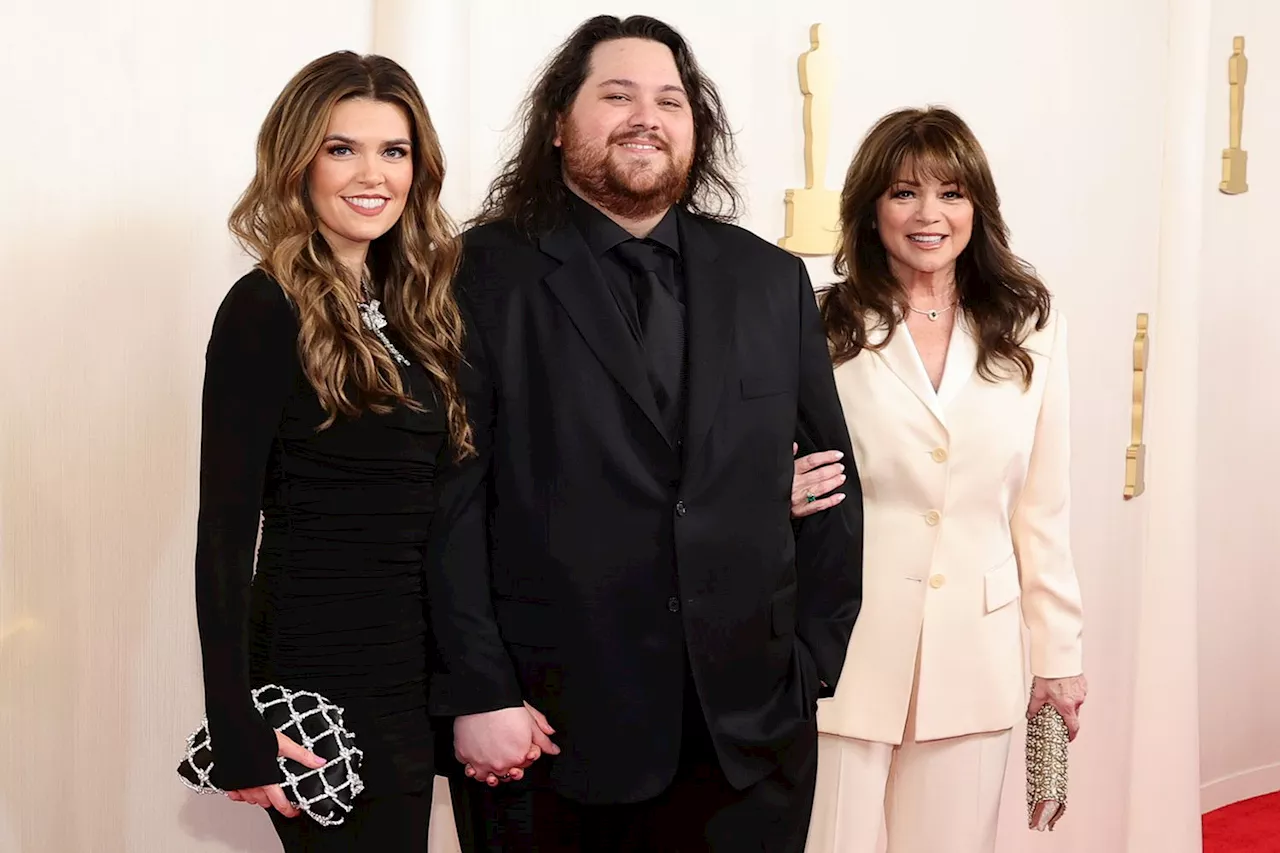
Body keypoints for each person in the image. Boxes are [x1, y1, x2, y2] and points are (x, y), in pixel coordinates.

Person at [425, 14, 864, 852]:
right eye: (616, 95)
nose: (647, 116)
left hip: (749, 736)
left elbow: (833, 484)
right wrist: (478, 689)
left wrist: (809, 664)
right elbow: (450, 503)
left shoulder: (770, 279)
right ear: (558, 123)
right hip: (548, 732)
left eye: (671, 100)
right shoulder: (475, 274)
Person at [193, 50, 477, 852]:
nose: (373, 174)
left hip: (410, 671)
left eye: (394, 151)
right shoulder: (261, 309)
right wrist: (235, 717)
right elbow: (222, 533)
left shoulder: (420, 307)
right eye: (341, 148)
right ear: (298, 161)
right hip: (316, 670)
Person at [797, 106, 1088, 853]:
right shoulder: (817, 322)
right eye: (904, 192)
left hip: (976, 652)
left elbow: (1041, 508)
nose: (930, 214)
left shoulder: (1030, 325)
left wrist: (1058, 656)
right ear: (870, 209)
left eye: (952, 192)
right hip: (842, 650)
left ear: (977, 208)